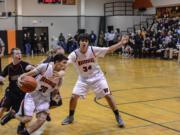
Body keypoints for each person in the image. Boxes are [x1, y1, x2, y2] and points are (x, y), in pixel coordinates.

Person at [61, 33, 128, 127]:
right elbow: (66, 64)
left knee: (108, 96)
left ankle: (118, 116)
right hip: (83, 79)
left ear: (88, 42)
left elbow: (109, 49)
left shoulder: (93, 50)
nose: (84, 42)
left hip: (98, 77)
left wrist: (121, 43)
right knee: (73, 97)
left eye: (86, 41)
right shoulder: (74, 54)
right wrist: (60, 69)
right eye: (82, 40)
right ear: (79, 42)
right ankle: (71, 117)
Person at [10, 54, 68, 135]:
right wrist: (20, 78)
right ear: (57, 62)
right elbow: (28, 74)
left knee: (42, 119)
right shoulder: (45, 67)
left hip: (44, 98)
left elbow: (55, 92)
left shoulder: (61, 79)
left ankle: (26, 133)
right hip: (32, 94)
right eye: (64, 62)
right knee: (27, 118)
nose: (66, 65)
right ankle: (13, 114)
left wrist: (55, 97)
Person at [0, 48, 33, 126]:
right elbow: (2, 76)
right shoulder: (8, 67)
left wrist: (31, 68)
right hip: (11, 92)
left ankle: (8, 118)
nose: (19, 55)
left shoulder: (24, 65)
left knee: (14, 110)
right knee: (3, 108)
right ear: (12, 55)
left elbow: (34, 69)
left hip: (22, 93)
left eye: (20, 53)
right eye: (17, 53)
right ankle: (4, 116)